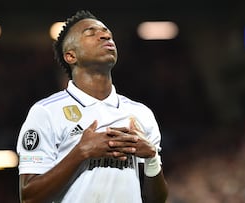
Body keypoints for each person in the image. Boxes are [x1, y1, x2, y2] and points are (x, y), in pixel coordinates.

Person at [16, 10, 168, 203]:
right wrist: (81, 152)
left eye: (107, 33)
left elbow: (156, 200)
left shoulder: (140, 114)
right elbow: (29, 197)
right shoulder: (46, 112)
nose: (105, 35)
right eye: (90, 32)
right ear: (71, 56)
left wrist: (152, 157)